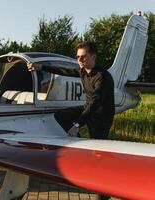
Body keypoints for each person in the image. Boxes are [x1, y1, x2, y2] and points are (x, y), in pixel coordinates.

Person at [28, 42, 114, 199]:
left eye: (83, 57)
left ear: (93, 57)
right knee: (61, 116)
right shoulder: (82, 70)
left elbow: (96, 102)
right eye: (78, 57)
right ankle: (81, 145)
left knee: (99, 152)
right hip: (88, 107)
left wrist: (77, 125)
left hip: (102, 115)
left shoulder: (102, 77)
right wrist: (41, 68)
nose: (80, 60)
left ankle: (104, 192)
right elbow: (64, 70)